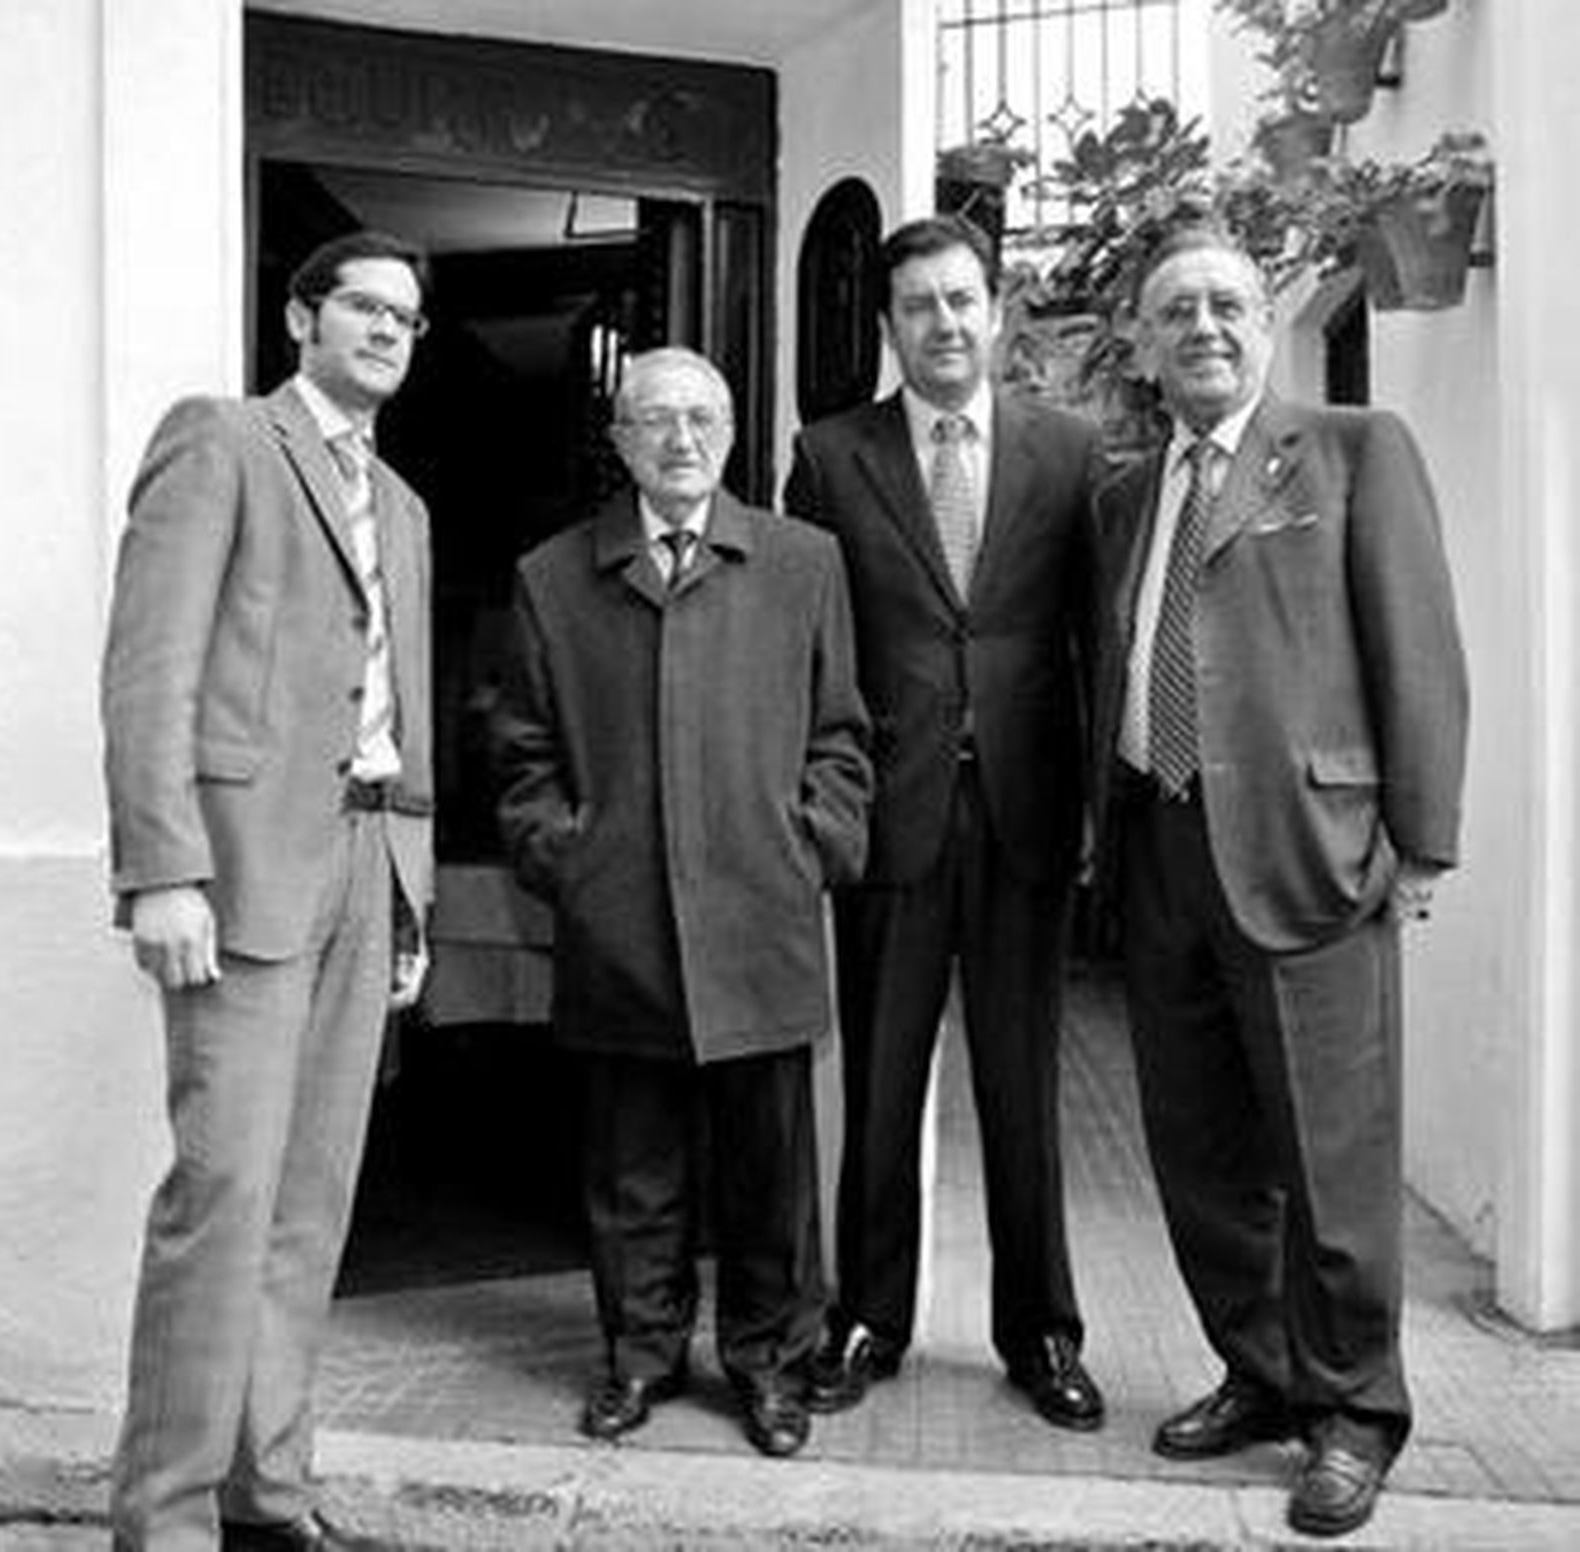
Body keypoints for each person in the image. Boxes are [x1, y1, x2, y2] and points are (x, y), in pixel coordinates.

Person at [1090, 225, 1468, 1538]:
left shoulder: (1355, 453)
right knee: (1199, 1152)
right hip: (1161, 847)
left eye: (1226, 303)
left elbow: (1417, 651)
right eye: (1174, 309)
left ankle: (1354, 1412)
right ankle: (1259, 1375)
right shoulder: (1128, 492)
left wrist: (1417, 844)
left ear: (1263, 322)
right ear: (1141, 345)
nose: (1202, 324)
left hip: (1313, 860)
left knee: (1333, 1158)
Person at [101, 230, 435, 1552]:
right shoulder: (224, 441)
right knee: (222, 1202)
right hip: (236, 878)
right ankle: (165, 1521)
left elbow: (398, 716)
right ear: (303, 316)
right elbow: (149, 668)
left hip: (365, 870)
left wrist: (410, 894)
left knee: (311, 1208)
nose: (389, 330)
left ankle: (267, 1499)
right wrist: (162, 871)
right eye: (363, 304)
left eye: (407, 317)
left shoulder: (403, 504)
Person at [498, 347, 871, 1460]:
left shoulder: (804, 563)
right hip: (619, 926)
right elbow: (519, 753)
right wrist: (571, 859)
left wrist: (810, 845)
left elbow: (841, 735)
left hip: (763, 917)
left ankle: (769, 1364)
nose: (678, 438)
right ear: (618, 440)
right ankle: (639, 1356)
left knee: (772, 1177)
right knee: (634, 1171)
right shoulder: (552, 577)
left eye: (701, 416)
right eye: (653, 419)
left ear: (731, 431)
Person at [783, 214, 1103, 1429]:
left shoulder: (1070, 454)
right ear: (889, 325)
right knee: (879, 1077)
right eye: (918, 305)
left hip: (1025, 813)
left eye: (962, 299)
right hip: (888, 820)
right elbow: (804, 645)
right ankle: (868, 1318)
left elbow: (1097, 638)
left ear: (998, 307)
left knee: (1023, 1089)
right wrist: (819, 804)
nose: (945, 323)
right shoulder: (829, 457)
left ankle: (1041, 1333)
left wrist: (1095, 817)